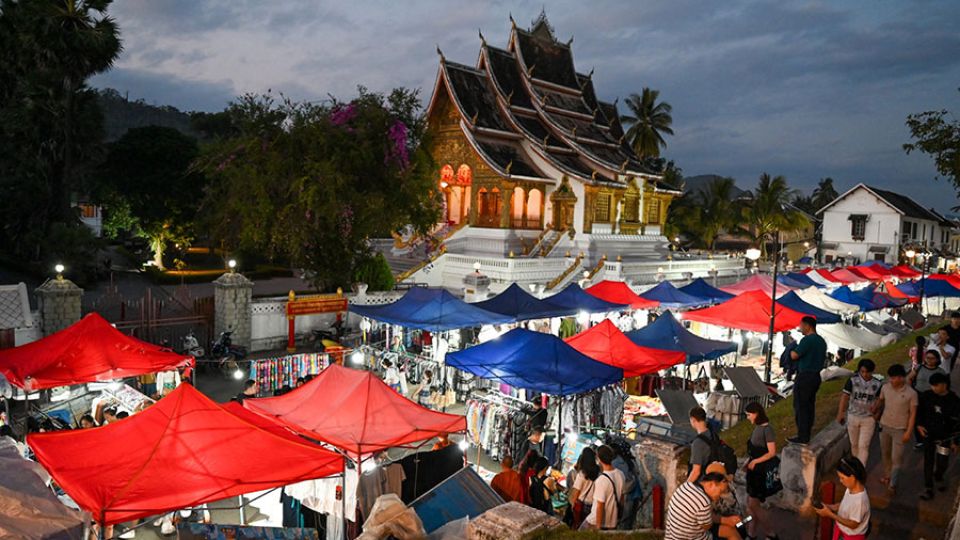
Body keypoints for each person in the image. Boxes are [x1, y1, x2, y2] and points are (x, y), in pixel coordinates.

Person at [873, 364, 917, 495]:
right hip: (885, 425)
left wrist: (909, 431)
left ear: (902, 378)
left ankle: (893, 483)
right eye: (891, 378)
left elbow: (913, 413)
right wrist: (875, 409)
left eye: (895, 378)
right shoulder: (885, 388)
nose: (892, 380)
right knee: (885, 453)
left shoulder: (911, 393)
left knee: (896, 457)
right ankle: (888, 475)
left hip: (900, 429)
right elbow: (880, 401)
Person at [916, 372, 960, 500]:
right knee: (928, 460)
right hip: (929, 434)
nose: (933, 388)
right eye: (932, 385)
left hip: (945, 437)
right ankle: (928, 486)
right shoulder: (927, 396)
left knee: (943, 461)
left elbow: (957, 423)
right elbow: (919, 412)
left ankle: (939, 475)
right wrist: (919, 425)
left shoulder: (954, 400)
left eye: (936, 385)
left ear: (944, 385)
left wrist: (955, 441)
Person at [664, 472, 741, 540]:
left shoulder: (686, 485)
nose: (719, 496)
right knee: (731, 532)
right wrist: (726, 521)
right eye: (720, 491)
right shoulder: (703, 501)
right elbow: (707, 526)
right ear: (711, 484)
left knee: (729, 530)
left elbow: (701, 517)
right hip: (692, 537)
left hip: (672, 536)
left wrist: (726, 520)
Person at [744, 402, 779, 540]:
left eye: (749, 414)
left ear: (756, 414)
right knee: (752, 505)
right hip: (754, 471)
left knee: (754, 505)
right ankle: (751, 533)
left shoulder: (767, 430)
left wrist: (755, 462)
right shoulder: (758, 428)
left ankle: (771, 533)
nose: (747, 417)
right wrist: (749, 462)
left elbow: (772, 452)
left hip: (760, 473)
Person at [790, 316, 827, 444]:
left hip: (805, 376)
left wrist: (791, 351)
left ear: (808, 326)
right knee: (809, 406)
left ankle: (802, 436)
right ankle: (806, 433)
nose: (800, 328)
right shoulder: (821, 341)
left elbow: (795, 355)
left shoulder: (807, 340)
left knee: (801, 406)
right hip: (816, 376)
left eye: (801, 325)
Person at [837, 359, 882, 466]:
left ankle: (861, 469)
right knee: (854, 444)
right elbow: (845, 397)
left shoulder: (877, 383)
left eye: (868, 372)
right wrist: (840, 413)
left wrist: (877, 414)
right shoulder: (852, 381)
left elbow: (880, 400)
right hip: (853, 416)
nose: (865, 374)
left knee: (864, 446)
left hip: (868, 419)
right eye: (862, 372)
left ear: (872, 371)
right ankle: (855, 467)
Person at [814, 456, 870, 539]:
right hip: (842, 529)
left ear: (853, 477)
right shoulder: (850, 489)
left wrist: (830, 514)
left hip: (851, 536)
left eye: (842, 478)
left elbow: (853, 524)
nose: (840, 481)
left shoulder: (860, 501)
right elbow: (844, 504)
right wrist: (828, 507)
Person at [580, 445, 625, 531]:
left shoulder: (601, 480)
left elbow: (600, 506)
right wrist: (618, 516)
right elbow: (622, 498)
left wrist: (598, 528)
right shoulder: (621, 474)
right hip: (612, 522)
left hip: (595, 521)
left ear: (599, 459)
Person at [568, 447, 600, 529]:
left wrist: (571, 505)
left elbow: (575, 493)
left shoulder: (582, 474)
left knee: (578, 526)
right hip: (593, 505)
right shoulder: (599, 472)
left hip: (582, 505)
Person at [687, 406, 713, 482]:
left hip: (703, 482)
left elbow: (696, 471)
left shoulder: (698, 443)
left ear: (693, 420)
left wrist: (684, 488)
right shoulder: (712, 434)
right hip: (713, 477)